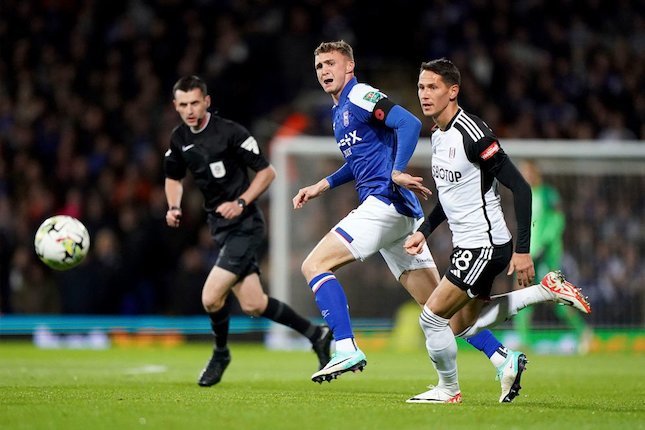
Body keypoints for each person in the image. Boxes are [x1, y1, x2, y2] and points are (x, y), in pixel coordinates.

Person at [292, 41, 567, 403]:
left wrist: (397, 170)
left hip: (385, 205)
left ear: (350, 66)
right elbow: (359, 162)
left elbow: (405, 122)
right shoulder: (339, 111)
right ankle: (504, 359)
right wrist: (322, 185)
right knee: (441, 313)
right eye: (319, 66)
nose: (325, 70)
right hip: (402, 216)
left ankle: (345, 346)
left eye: (331, 63)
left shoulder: (359, 94)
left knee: (314, 264)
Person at [403, 58, 591, 403]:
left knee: (431, 318)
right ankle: (541, 298)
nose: (424, 94)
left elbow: (521, 187)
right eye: (421, 87)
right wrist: (424, 231)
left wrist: (522, 251)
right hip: (470, 245)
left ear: (453, 91)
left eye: (433, 87)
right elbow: (450, 196)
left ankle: (447, 390)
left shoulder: (473, 134)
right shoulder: (438, 134)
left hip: (484, 246)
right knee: (462, 325)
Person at [164, 75, 332, 387]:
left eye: (195, 102)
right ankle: (316, 333)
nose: (189, 109)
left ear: (207, 102)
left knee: (211, 297)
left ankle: (220, 353)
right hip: (220, 227)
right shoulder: (179, 137)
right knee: (254, 303)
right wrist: (174, 206)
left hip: (246, 225)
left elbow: (267, 173)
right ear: (176, 106)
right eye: (183, 104)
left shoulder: (230, 132)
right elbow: (173, 176)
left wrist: (241, 202)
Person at [514, 160, 593, 353]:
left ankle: (584, 333)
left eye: (526, 171)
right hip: (529, 254)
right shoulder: (524, 195)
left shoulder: (547, 194)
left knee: (555, 298)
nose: (524, 175)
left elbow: (559, 219)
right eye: (521, 172)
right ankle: (524, 340)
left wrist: (545, 244)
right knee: (522, 297)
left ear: (534, 173)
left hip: (545, 255)